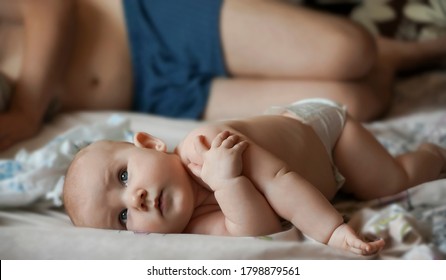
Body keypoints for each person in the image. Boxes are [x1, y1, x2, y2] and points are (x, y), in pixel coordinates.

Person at [1, 0, 446, 152]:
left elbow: (49, 5)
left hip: (144, 24)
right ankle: (394, 60)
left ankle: (409, 50)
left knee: (351, 51)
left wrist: (24, 110)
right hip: (154, 96)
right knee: (355, 103)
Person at [63, 98, 446, 256]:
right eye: (123, 217)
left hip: (324, 137)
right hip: (317, 175)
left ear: (151, 143)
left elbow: (279, 180)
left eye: (125, 176)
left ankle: (432, 153)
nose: (135, 200)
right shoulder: (191, 227)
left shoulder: (206, 144)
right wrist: (228, 186)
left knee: (393, 179)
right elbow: (260, 226)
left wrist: (333, 232)